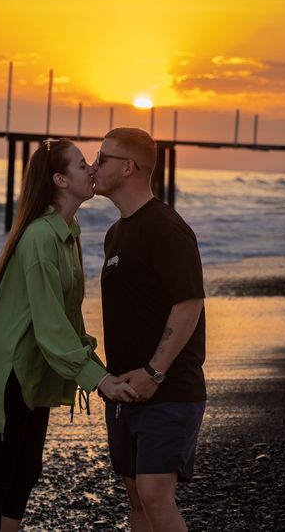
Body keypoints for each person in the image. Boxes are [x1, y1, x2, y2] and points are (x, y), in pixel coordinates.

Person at [0, 138, 133, 532]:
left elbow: (67, 320)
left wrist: (100, 369)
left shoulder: (68, 230)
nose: (91, 168)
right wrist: (99, 381)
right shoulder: (41, 237)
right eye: (80, 165)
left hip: (37, 364)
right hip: (9, 366)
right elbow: (50, 325)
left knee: (26, 471)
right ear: (59, 179)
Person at [93, 127, 206, 532]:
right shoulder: (115, 233)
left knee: (156, 494)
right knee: (137, 498)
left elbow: (190, 302)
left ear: (127, 168)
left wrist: (155, 372)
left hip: (170, 389)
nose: (93, 165)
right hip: (125, 392)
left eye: (102, 158)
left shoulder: (166, 227)